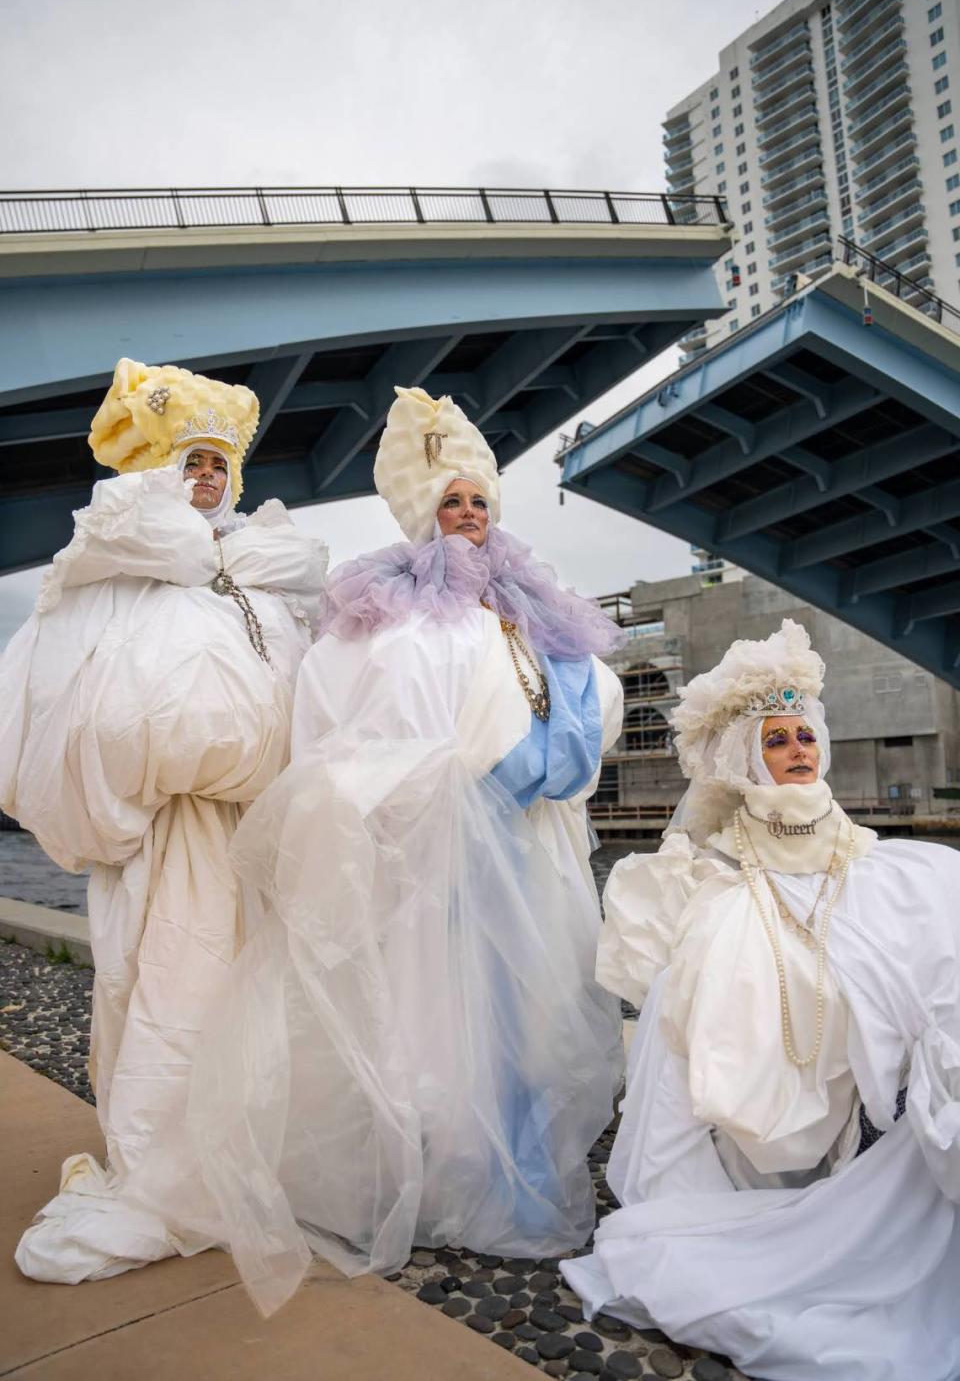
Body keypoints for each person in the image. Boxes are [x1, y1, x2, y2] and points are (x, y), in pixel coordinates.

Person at [170, 385, 626, 1316]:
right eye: (450, 501)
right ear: (424, 511)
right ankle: (436, 1167)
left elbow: (583, 701)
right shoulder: (389, 610)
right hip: (424, 849)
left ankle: (512, 1166)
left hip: (526, 846)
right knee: (431, 1004)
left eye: (479, 502)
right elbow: (342, 712)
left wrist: (536, 757)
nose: (466, 515)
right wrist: (427, 783)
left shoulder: (538, 612)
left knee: (524, 1006)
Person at [561, 620, 960, 1381]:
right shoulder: (711, 877)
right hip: (747, 1014)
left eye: (804, 735)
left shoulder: (880, 866)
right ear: (749, 754)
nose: (797, 750)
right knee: (706, 982)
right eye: (776, 741)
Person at [1, 358, 328, 1285]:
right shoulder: (115, 572)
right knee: (166, 997)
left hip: (254, 832)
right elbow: (71, 708)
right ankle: (165, 1175)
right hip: (169, 835)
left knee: (253, 1007)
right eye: (192, 463)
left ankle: (239, 1163)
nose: (209, 481)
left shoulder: (258, 575)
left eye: (220, 466)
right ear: (156, 471)